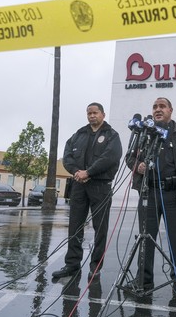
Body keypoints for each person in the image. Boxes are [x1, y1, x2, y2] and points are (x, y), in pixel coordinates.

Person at [128, 97, 176, 295]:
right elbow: (129, 157)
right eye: (154, 107)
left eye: (162, 106)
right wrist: (138, 165)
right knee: (145, 238)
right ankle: (143, 280)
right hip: (149, 192)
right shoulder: (145, 132)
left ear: (171, 110)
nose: (157, 110)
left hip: (175, 194)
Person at [52, 102, 123, 280]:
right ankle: (72, 264)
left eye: (95, 113)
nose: (92, 116)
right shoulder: (78, 135)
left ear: (103, 115)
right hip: (78, 185)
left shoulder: (111, 135)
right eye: (89, 113)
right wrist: (77, 172)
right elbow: (67, 155)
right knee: (75, 226)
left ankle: (96, 266)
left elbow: (110, 157)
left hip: (100, 185)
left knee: (100, 228)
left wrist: (89, 172)